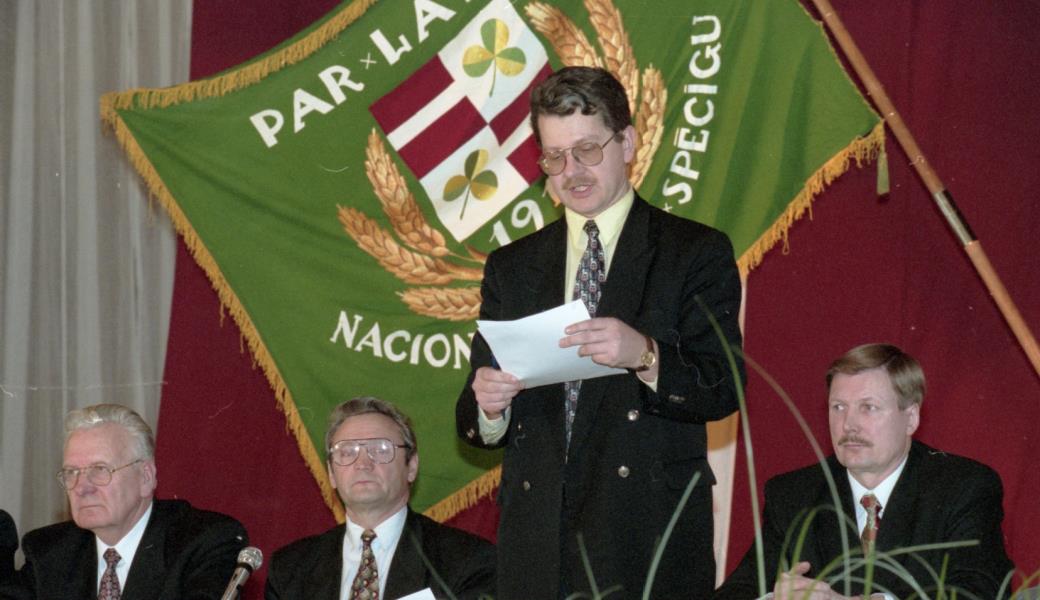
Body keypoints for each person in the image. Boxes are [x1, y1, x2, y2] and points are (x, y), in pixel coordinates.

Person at [456, 66, 745, 599]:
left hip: (646, 538)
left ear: (627, 143)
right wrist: (489, 407)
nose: (572, 171)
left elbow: (723, 388)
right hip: (538, 548)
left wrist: (646, 355)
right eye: (554, 157)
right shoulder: (512, 267)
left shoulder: (692, 252)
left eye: (587, 149)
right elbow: (473, 417)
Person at [713, 343, 1015, 600]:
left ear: (911, 418)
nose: (849, 425)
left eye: (868, 407)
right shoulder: (794, 494)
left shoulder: (963, 487)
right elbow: (737, 592)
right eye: (838, 407)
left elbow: (979, 591)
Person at [265, 396, 495, 600]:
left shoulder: (466, 561)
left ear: (411, 467)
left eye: (380, 449)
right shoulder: (291, 569)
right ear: (332, 474)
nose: (363, 464)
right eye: (347, 452)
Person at [16, 403, 248, 599]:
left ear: (145, 477)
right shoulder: (48, 552)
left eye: (100, 469)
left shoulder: (204, 542)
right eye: (71, 472)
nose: (82, 487)